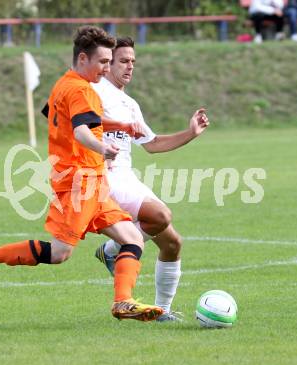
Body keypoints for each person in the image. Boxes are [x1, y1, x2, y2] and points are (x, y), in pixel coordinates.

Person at [0, 26, 164, 322]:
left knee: (132, 237)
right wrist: (102, 147)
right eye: (103, 62)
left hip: (93, 183)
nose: (107, 69)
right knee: (59, 253)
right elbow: (81, 131)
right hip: (79, 183)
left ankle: (123, 302)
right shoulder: (82, 89)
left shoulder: (64, 84)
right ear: (83, 58)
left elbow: (64, 117)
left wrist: (118, 126)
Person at [91, 37, 209, 322]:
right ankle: (113, 249)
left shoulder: (129, 103)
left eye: (133, 61)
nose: (130, 66)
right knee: (160, 214)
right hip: (102, 175)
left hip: (126, 176)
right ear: (107, 64)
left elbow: (153, 143)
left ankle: (162, 311)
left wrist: (190, 133)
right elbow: (66, 120)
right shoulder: (93, 91)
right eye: (123, 61)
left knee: (172, 243)